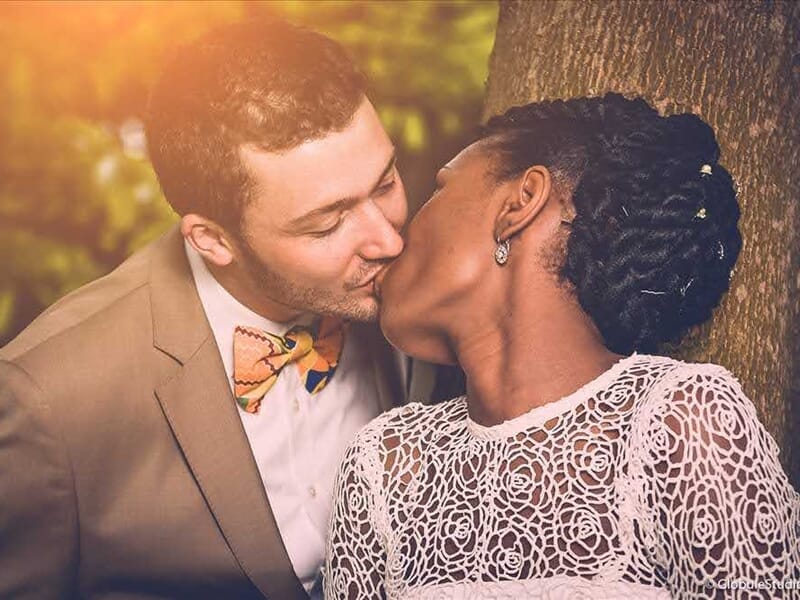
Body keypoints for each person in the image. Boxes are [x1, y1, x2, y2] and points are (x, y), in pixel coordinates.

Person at [0, 19, 441, 599]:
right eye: (327, 223)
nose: (387, 241)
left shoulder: (422, 300)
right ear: (212, 240)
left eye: (384, 183)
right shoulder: (48, 399)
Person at [325, 93, 800, 599]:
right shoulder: (384, 465)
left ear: (520, 203)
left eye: (439, 189)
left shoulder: (679, 420)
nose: (394, 237)